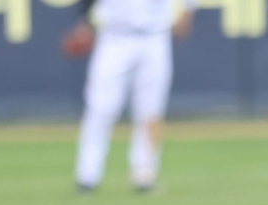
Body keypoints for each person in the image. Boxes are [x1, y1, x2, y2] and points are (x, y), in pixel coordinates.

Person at [62, 0, 195, 192]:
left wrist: (187, 12)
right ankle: (87, 176)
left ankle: (144, 175)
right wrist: (83, 21)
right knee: (100, 108)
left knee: (151, 111)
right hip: (114, 36)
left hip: (155, 36)